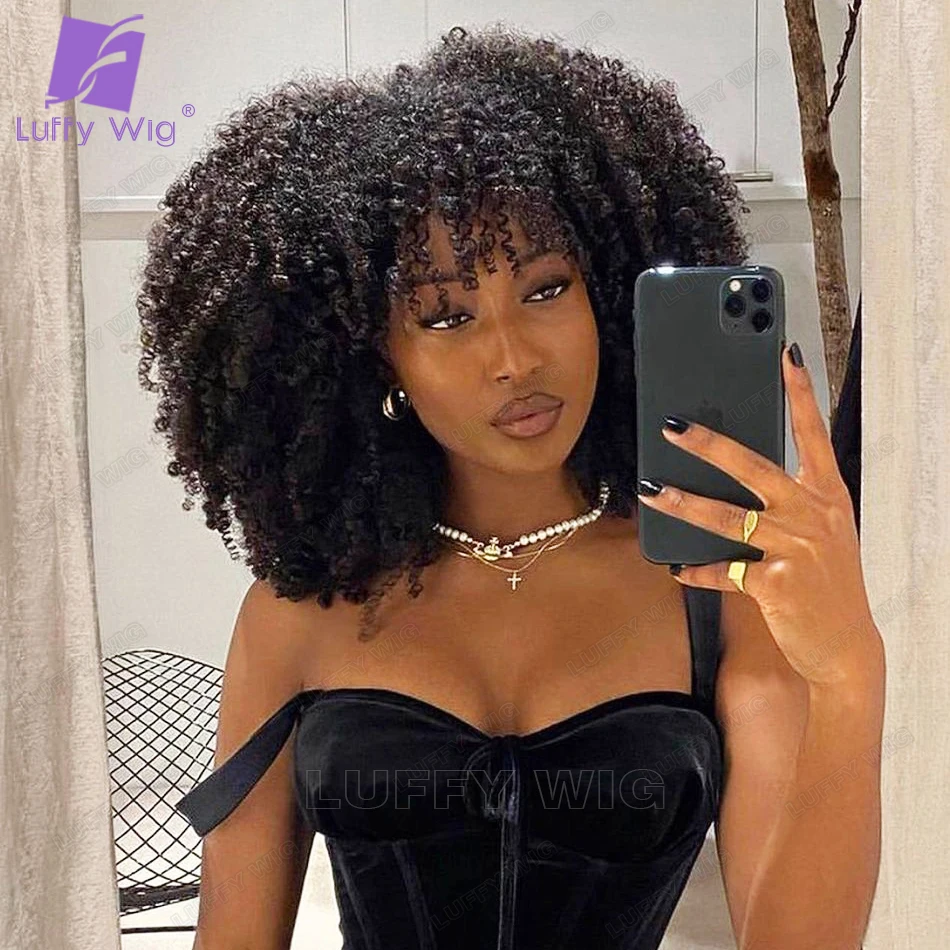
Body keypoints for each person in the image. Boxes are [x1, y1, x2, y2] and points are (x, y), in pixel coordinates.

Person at [137, 24, 883, 950]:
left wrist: (850, 674)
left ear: (606, 296)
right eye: (446, 316)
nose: (513, 358)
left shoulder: (715, 595)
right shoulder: (297, 615)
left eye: (545, 289)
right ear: (374, 354)